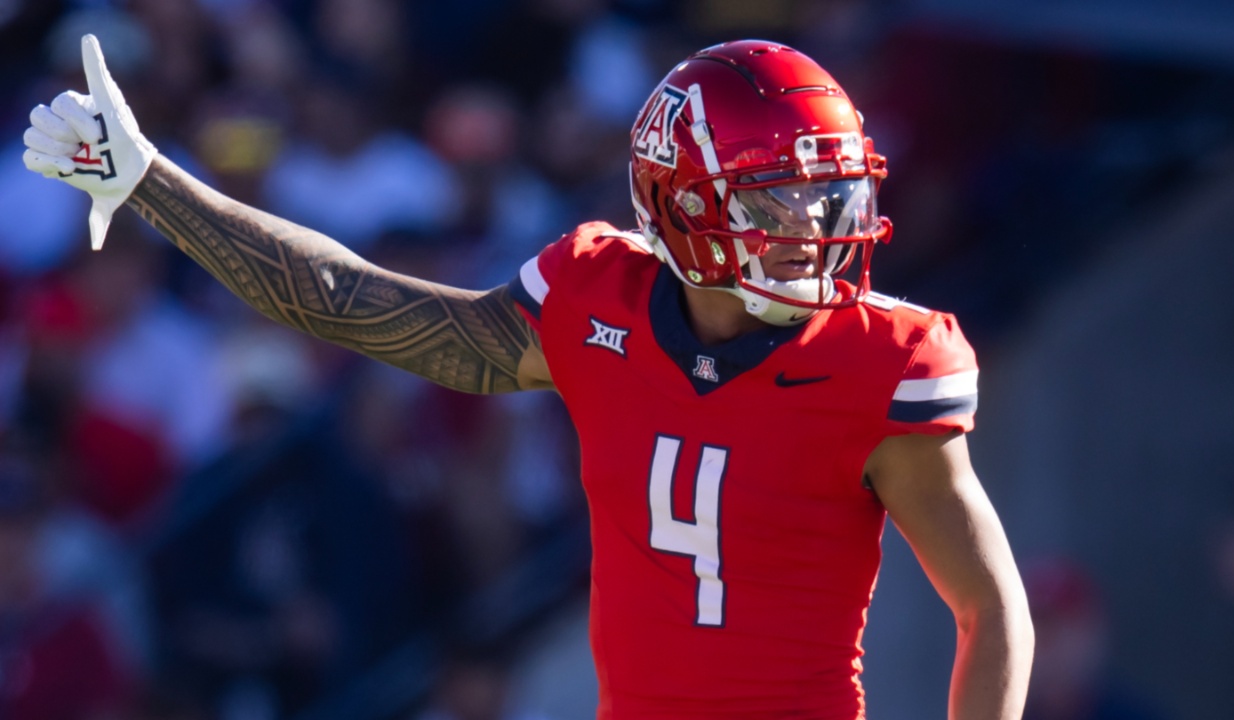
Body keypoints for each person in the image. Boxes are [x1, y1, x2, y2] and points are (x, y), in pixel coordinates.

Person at [22, 35, 1034, 720]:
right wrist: (151, 182)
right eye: (779, 198)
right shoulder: (595, 301)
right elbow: (349, 299)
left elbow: (989, 608)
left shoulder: (882, 363)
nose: (814, 224)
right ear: (682, 203)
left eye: (826, 192)